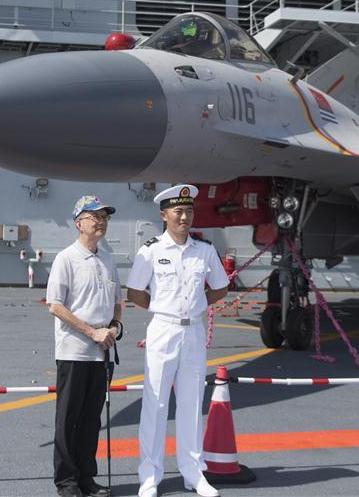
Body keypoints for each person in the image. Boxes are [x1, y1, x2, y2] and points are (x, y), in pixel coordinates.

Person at [126, 185, 230, 497]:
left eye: (189, 211)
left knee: (191, 402)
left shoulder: (204, 250)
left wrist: (199, 303)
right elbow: (134, 291)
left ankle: (193, 473)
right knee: (155, 403)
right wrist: (162, 308)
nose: (184, 217)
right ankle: (150, 474)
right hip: (163, 329)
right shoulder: (151, 250)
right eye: (178, 211)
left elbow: (221, 287)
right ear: (164, 215)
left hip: (194, 332)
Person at [47, 195, 123, 497]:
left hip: (103, 353)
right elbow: (55, 306)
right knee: (68, 419)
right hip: (74, 351)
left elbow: (118, 301)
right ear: (79, 222)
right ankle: (66, 481)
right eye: (95, 216)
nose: (101, 221)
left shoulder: (108, 259)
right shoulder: (66, 258)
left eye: (105, 216)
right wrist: (92, 332)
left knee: (92, 419)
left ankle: (86, 478)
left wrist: (115, 328)